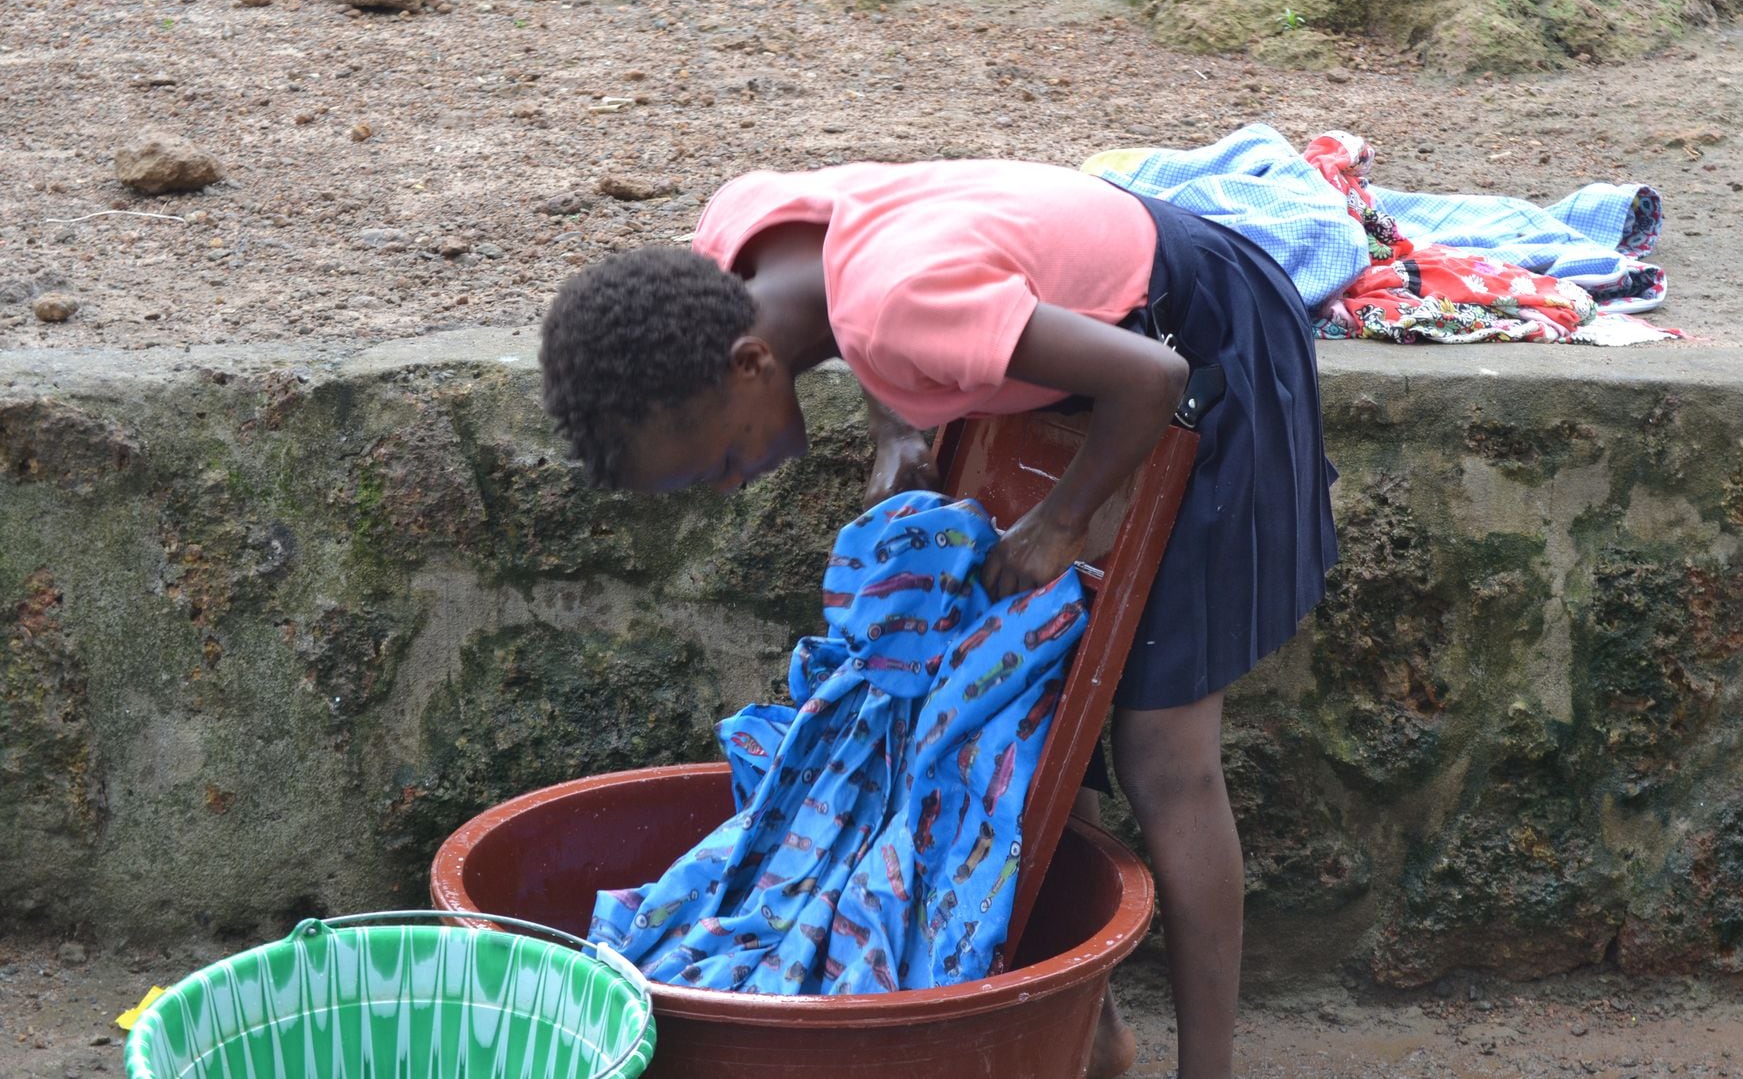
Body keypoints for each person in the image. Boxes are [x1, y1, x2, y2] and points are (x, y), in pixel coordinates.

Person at [537, 158, 1341, 1079]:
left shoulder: (900, 308)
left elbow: (1152, 379)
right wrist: (897, 428)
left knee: (1166, 758)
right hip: (1086, 354)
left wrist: (1060, 521)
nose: (726, 484)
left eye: (714, 460)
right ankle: (1096, 1038)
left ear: (750, 363)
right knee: (1026, 717)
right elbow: (851, 285)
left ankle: (1211, 1071)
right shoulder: (739, 247)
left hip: (1209, 349)